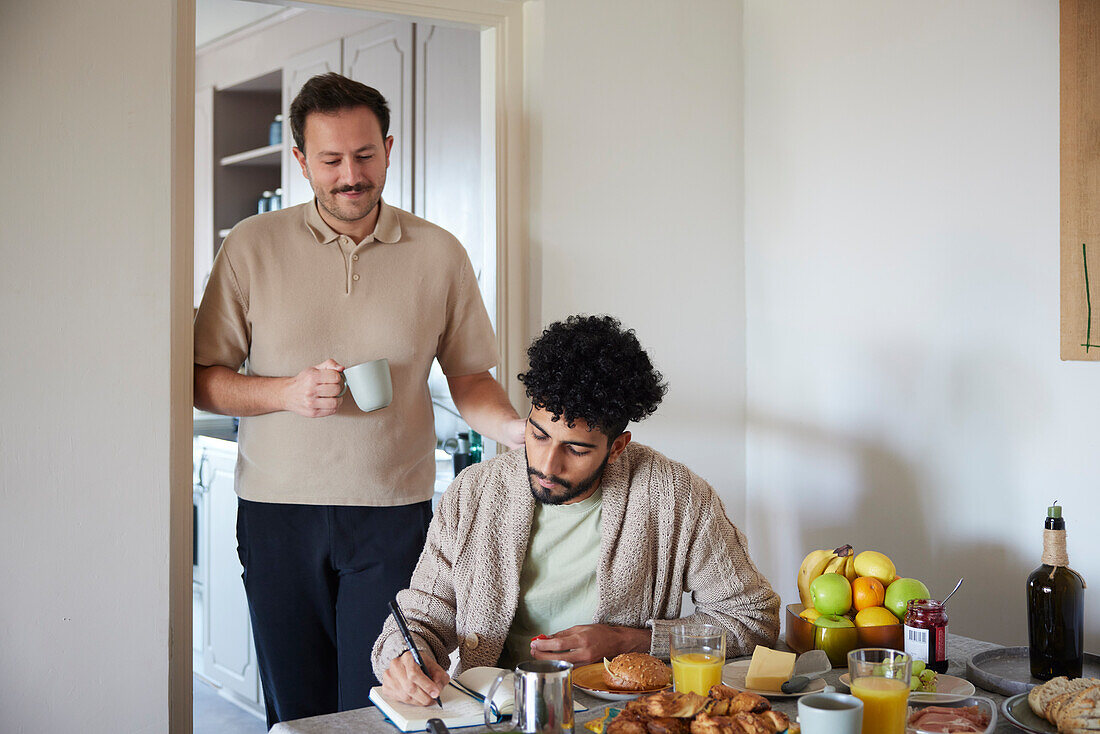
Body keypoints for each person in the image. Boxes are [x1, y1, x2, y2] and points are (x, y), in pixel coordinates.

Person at [193, 72, 525, 726]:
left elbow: (470, 378)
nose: (352, 174)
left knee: (383, 707)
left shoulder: (439, 253)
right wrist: (286, 392)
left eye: (366, 155)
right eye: (331, 160)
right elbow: (203, 378)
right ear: (301, 161)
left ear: (389, 148)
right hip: (277, 514)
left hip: (395, 516)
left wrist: (518, 431)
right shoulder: (251, 248)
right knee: (298, 710)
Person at [372, 315, 780, 706]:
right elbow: (422, 616)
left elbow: (753, 619)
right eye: (538, 434)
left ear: (617, 447)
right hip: (495, 711)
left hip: (620, 716)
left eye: (576, 449)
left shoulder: (675, 497)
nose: (548, 465)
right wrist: (407, 658)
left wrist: (629, 642)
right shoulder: (474, 493)